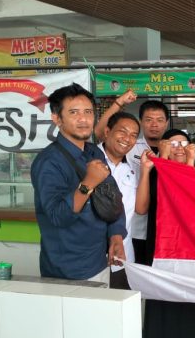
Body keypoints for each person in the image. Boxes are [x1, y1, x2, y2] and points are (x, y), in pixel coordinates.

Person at [31, 83, 126, 282]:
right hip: (67, 269)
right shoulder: (49, 162)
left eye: (88, 112)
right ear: (57, 119)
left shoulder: (93, 151)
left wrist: (116, 234)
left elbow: (112, 197)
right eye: (74, 112)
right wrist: (87, 184)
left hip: (99, 260)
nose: (83, 119)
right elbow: (58, 217)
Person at [135, 129, 195, 338]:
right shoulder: (153, 170)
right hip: (161, 245)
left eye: (183, 143)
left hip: (190, 246)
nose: (178, 147)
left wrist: (189, 163)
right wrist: (152, 166)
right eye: (173, 142)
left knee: (189, 300)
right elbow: (141, 208)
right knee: (164, 301)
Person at [96, 94, 170, 265]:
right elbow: (101, 133)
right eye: (149, 119)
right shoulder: (129, 145)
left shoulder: (174, 148)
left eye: (159, 120)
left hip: (163, 227)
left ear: (166, 123)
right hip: (135, 227)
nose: (154, 124)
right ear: (142, 121)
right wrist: (119, 103)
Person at [98, 111, 141, 289]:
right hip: (91, 258)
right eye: (122, 131)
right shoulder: (88, 161)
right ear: (107, 132)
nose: (127, 139)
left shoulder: (132, 169)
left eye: (133, 135)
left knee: (120, 310)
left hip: (122, 257)